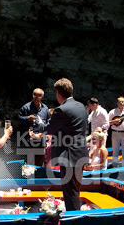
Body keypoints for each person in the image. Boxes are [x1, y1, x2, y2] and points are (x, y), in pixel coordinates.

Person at [38, 78, 89, 211]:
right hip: (80, 153)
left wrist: (39, 124)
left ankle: (73, 223)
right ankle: (75, 220)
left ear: (59, 93)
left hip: (68, 155)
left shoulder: (61, 110)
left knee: (70, 191)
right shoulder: (82, 107)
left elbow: (49, 129)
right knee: (75, 189)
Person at [18, 88, 51, 166]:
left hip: (40, 140)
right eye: (34, 95)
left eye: (39, 96)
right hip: (29, 140)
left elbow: (49, 121)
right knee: (28, 163)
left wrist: (47, 134)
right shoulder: (26, 107)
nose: (36, 97)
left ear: (42, 97)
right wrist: (27, 118)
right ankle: (27, 177)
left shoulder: (45, 108)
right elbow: (18, 119)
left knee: (39, 162)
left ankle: (37, 177)